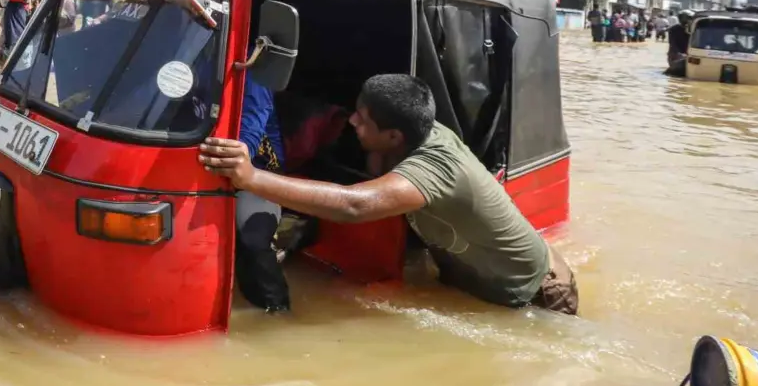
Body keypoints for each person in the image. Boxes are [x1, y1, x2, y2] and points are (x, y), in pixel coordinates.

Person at [199, 74, 579, 316]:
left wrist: (249, 176)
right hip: (482, 281)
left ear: (395, 135)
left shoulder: (434, 166)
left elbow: (355, 205)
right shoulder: (417, 135)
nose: (351, 122)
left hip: (538, 294)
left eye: (362, 120)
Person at [235, 73, 291, 314]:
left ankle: (279, 312)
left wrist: (236, 156)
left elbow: (252, 121)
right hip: (200, 167)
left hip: (256, 173)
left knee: (254, 240)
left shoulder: (255, 71)